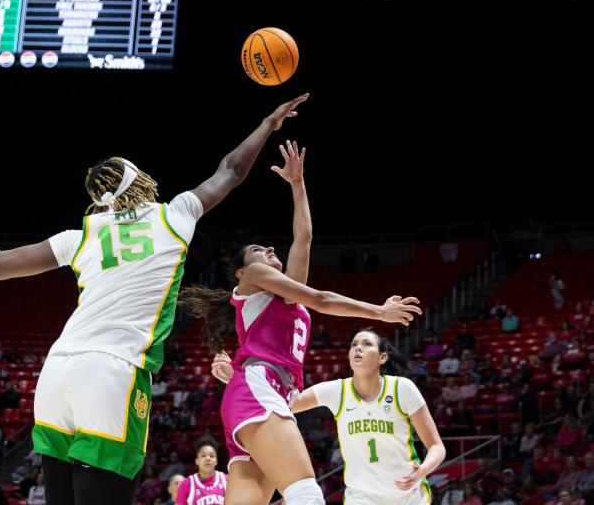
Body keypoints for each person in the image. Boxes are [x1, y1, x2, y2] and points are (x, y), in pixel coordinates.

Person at [0, 95, 310, 505]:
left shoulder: (82, 234)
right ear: (139, 182)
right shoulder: (172, 216)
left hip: (57, 371)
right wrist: (267, 123)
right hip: (113, 373)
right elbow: (230, 171)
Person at [179, 141, 422, 505]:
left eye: (270, 249)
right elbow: (322, 300)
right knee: (305, 491)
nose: (270, 251)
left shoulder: (285, 298)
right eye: (260, 250)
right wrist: (379, 313)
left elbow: (303, 237)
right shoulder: (256, 278)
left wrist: (297, 183)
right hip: (258, 389)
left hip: (264, 392)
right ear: (244, 271)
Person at [214, 329, 445, 505]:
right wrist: (237, 380)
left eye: (366, 344)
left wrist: (422, 471)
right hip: (360, 499)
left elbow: (436, 446)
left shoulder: (401, 389)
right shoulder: (337, 391)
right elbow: (279, 402)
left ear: (382, 357)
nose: (358, 349)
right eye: (354, 344)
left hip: (408, 496)